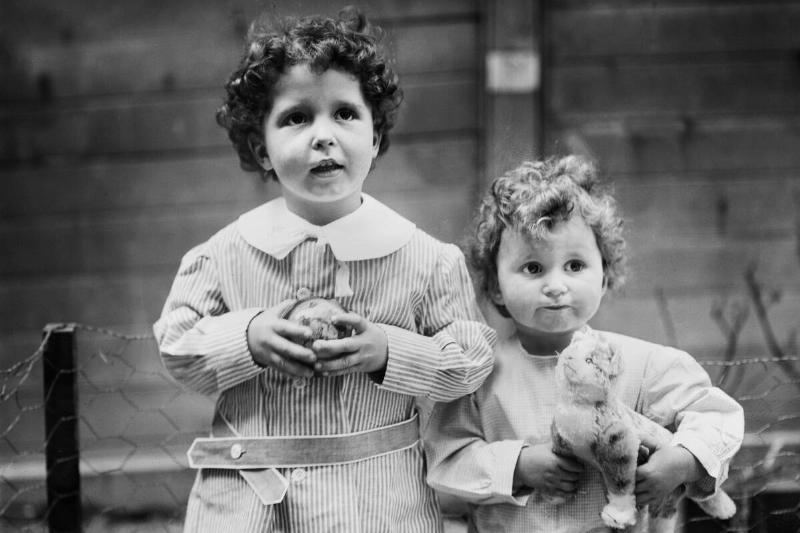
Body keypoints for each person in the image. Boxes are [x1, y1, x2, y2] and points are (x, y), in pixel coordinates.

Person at [153, 7, 495, 532]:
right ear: (260, 149)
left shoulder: (426, 260)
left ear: (376, 139)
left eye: (345, 114)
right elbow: (177, 343)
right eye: (296, 117)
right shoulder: (223, 255)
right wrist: (247, 336)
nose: (323, 135)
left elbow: (470, 359)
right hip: (250, 503)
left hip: (379, 500)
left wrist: (388, 351)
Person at [423, 156, 744, 532]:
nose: (556, 285)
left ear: (604, 274)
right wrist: (517, 466)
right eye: (533, 268)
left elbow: (718, 416)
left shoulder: (643, 364)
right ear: (495, 284)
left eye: (575, 266)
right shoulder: (478, 372)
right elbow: (446, 456)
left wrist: (682, 461)